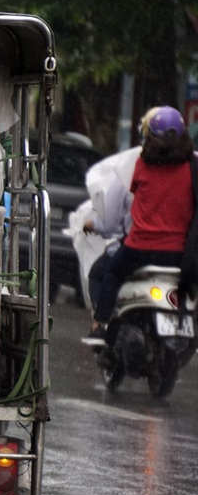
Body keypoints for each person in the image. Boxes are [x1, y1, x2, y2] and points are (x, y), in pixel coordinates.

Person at [87, 105, 196, 343]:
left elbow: (133, 193)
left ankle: (99, 324)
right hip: (177, 254)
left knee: (112, 272)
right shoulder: (191, 167)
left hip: (139, 249)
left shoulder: (141, 164)